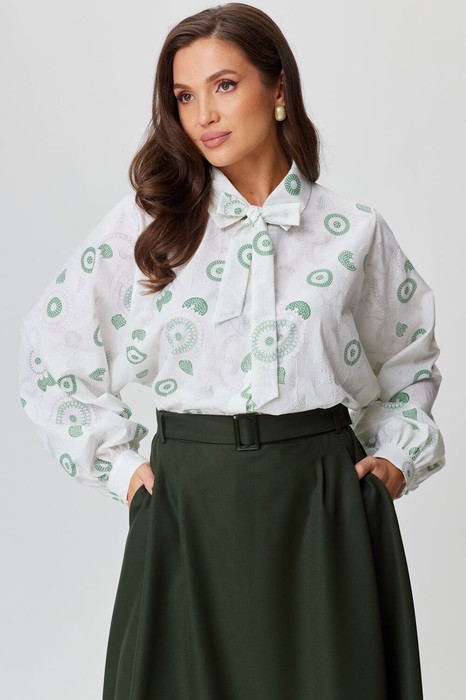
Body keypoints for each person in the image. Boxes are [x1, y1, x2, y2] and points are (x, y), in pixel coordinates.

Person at [18, 3, 445, 698]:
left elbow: (410, 360)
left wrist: (395, 458)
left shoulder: (353, 231)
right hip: (189, 508)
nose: (204, 115)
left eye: (224, 85)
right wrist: (122, 469)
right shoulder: (149, 226)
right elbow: (50, 354)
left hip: (322, 508)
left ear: (278, 90)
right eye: (185, 96)